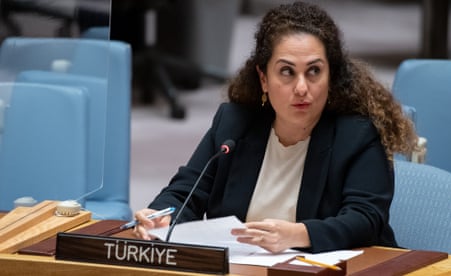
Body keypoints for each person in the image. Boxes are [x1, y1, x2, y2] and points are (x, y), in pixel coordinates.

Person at [133, 1, 417, 254]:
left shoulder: (356, 134)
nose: (302, 87)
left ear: (331, 76)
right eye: (287, 72)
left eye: (314, 71)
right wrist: (160, 216)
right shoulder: (234, 124)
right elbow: (186, 191)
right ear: (264, 78)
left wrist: (298, 234)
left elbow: (365, 219)